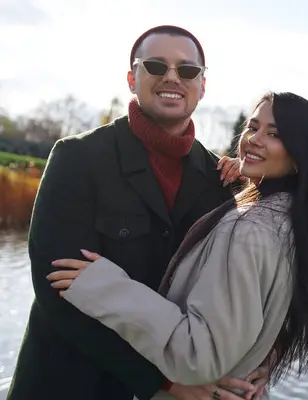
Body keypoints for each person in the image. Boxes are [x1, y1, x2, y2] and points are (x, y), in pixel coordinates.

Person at [7, 25, 269, 400]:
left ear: (203, 86)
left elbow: (246, 292)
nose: (172, 78)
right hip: (67, 384)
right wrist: (163, 382)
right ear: (133, 79)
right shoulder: (77, 158)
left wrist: (261, 365)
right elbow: (57, 293)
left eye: (188, 70)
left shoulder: (221, 182)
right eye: (156, 66)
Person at [47, 91, 308, 399]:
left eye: (275, 134)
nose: (255, 139)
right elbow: (275, 320)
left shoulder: (248, 229)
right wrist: (261, 360)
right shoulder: (294, 224)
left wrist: (107, 287)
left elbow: (200, 356)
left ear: (300, 154)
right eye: (253, 127)